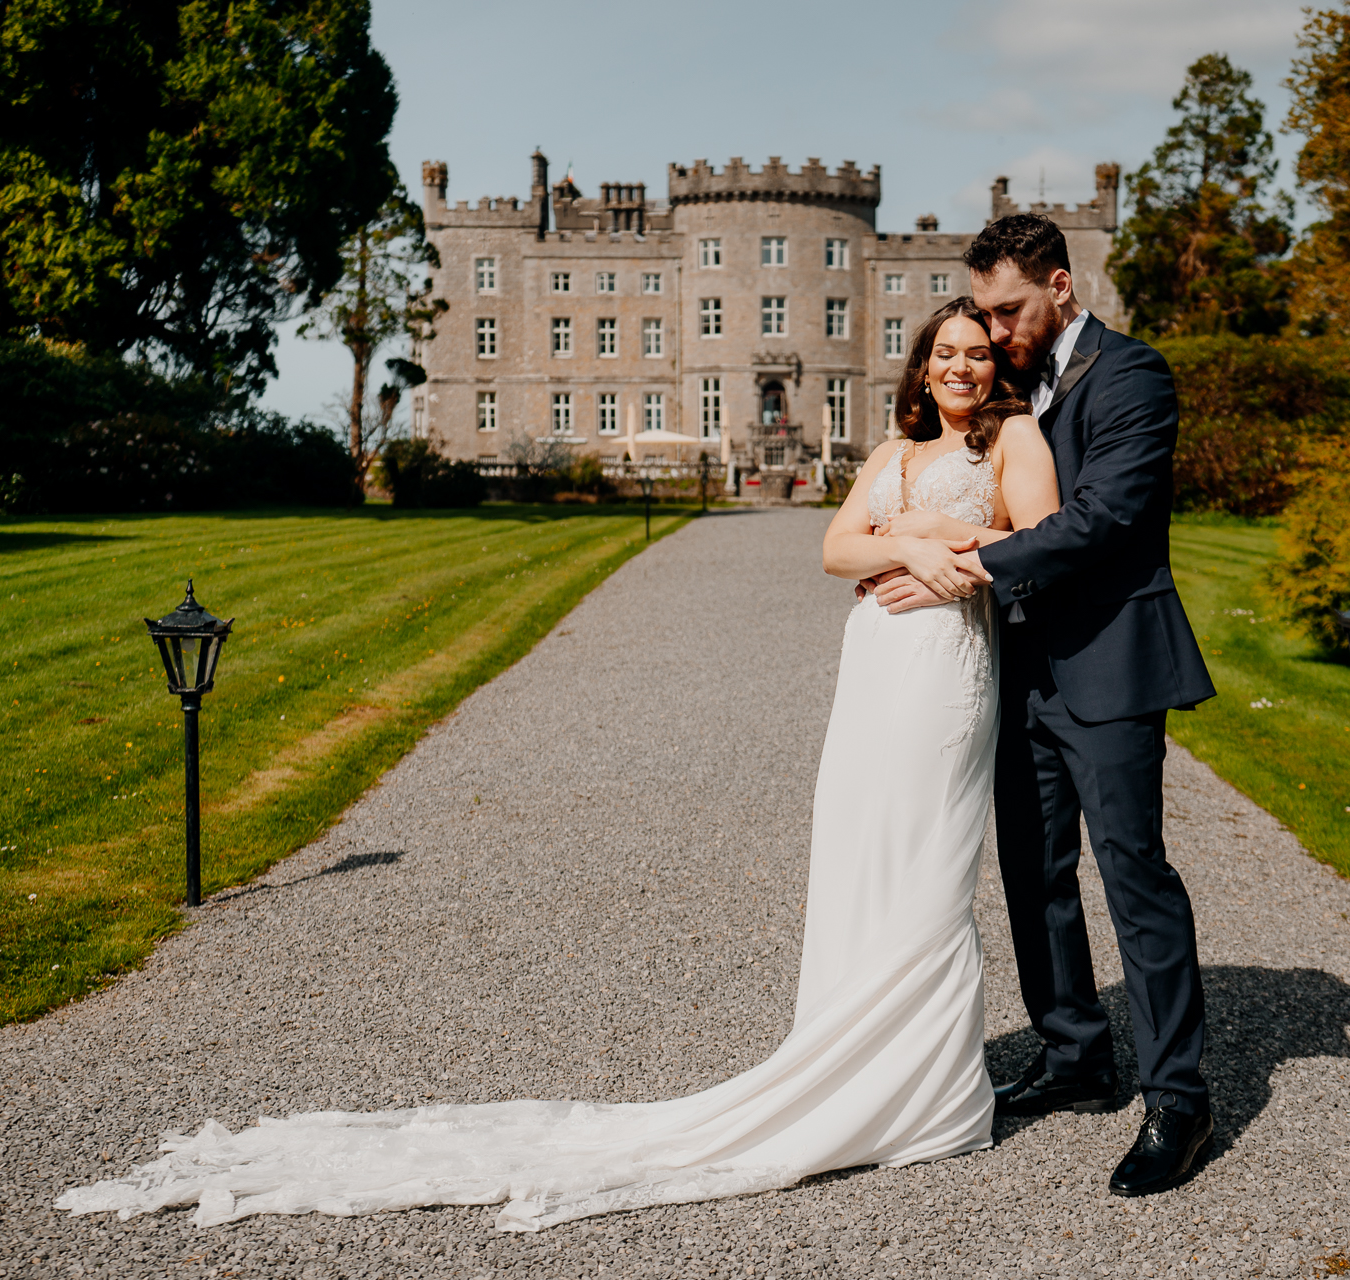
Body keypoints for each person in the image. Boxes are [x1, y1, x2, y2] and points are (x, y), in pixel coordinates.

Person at [56, 299, 1060, 1234]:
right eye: (946, 352)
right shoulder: (892, 446)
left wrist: (932, 545)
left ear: (995, 364)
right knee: (857, 859)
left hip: (944, 676)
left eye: (978, 350)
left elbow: (1042, 539)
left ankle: (926, 1095)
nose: (963, 364)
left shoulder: (1012, 438)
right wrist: (910, 533)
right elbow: (836, 549)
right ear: (922, 367)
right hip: (873, 674)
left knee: (927, 870)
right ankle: (846, 1069)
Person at [868, 213, 1218, 1197]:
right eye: (982, 311)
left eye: (1010, 308)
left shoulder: (1134, 373)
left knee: (1132, 871)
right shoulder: (1010, 389)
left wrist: (966, 553)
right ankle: (1074, 1053)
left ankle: (1178, 1095)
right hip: (1018, 666)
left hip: (1109, 662)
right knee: (1032, 868)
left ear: (1062, 286)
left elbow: (1105, 520)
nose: (995, 328)